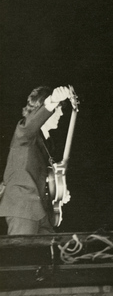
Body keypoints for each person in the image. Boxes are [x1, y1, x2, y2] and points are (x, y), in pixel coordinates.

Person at [0, 86, 72, 235]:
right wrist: (52, 100)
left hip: (41, 212)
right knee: (22, 256)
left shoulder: (46, 142)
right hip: (23, 210)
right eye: (58, 108)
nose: (61, 113)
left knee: (47, 255)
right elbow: (30, 125)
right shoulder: (24, 134)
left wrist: (58, 192)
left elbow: (42, 180)